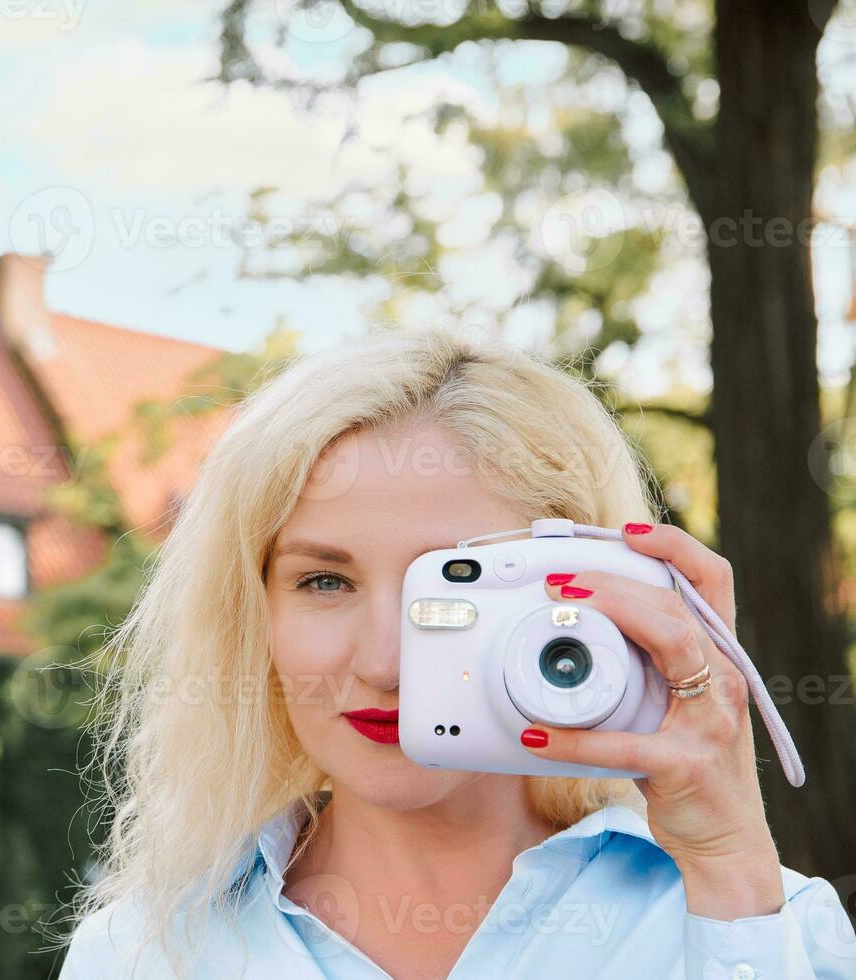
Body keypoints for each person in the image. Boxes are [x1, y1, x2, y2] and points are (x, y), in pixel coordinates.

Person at [56, 328, 853, 978]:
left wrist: (727, 863)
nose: (385, 664)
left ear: (579, 600)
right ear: (253, 611)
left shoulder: (766, 927)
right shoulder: (141, 956)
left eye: (449, 590)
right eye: (325, 581)